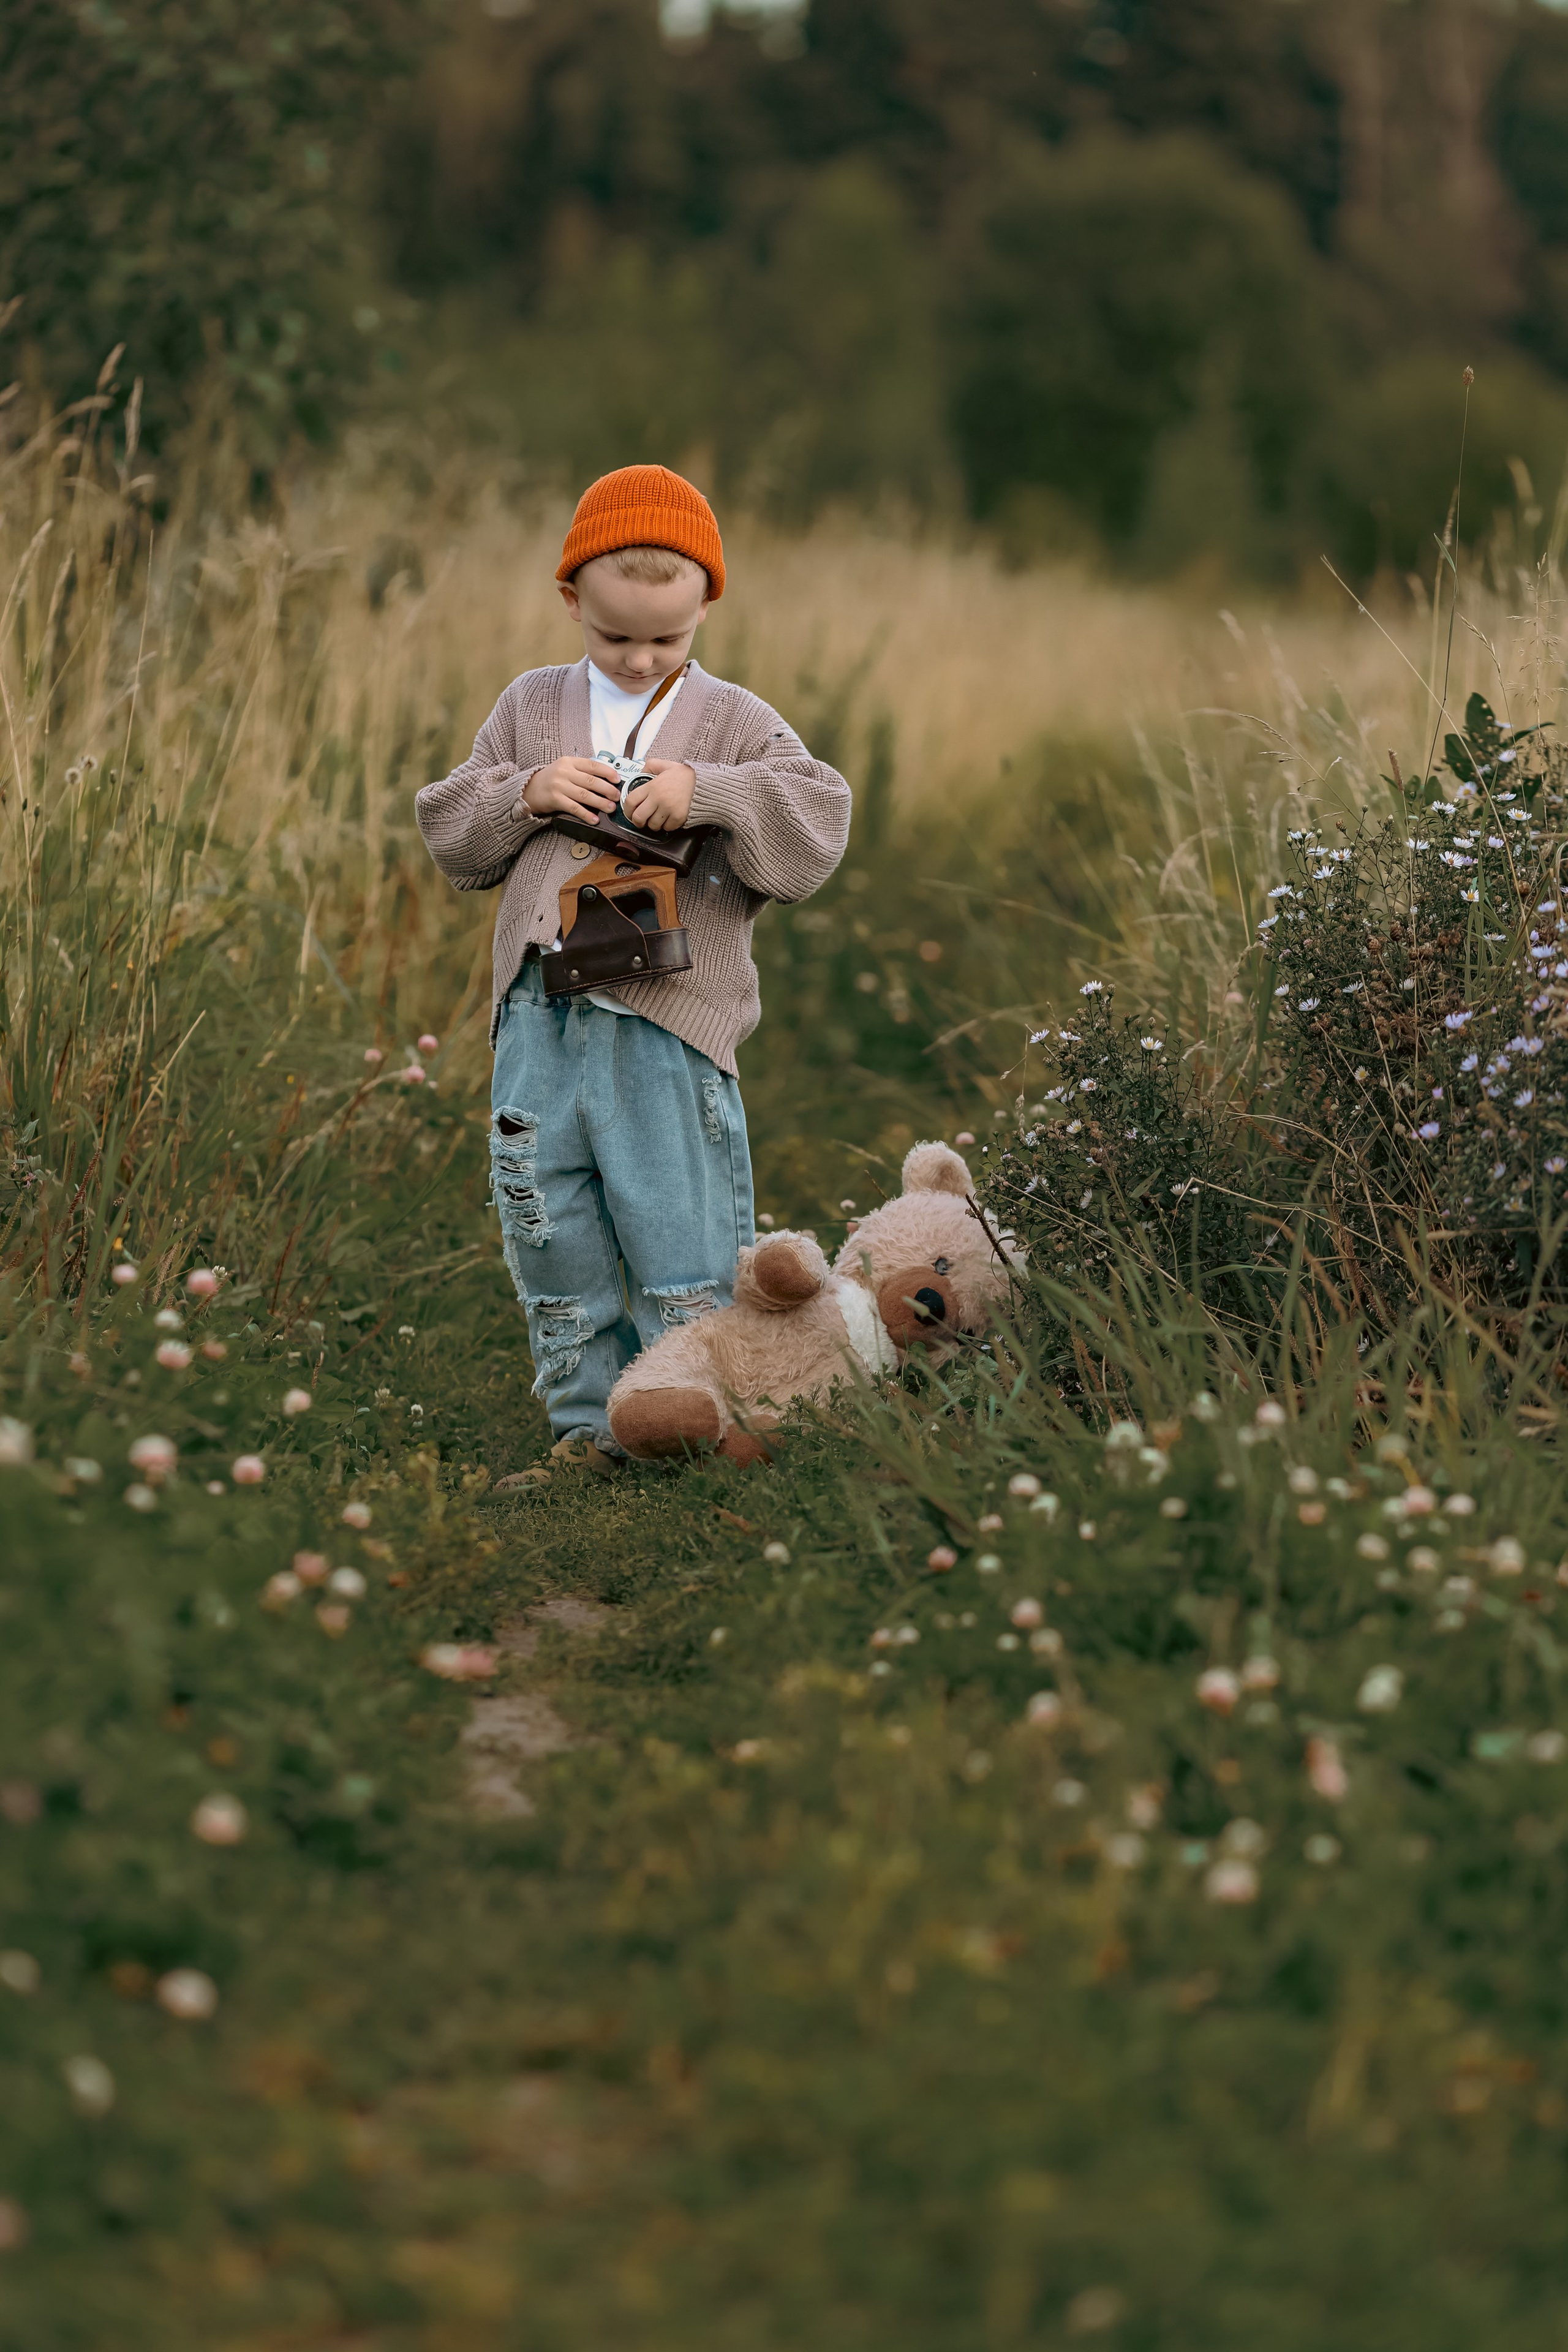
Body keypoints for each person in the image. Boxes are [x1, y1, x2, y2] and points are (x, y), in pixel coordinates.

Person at [415, 464, 851, 1471]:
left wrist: (710, 792)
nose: (641, 656)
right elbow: (453, 830)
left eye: (668, 638)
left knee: (679, 1229)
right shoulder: (531, 707)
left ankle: (703, 1412)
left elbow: (814, 822)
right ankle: (590, 1427)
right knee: (547, 1219)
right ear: (572, 601)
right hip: (539, 1024)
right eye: (615, 637)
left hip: (669, 1028)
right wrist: (526, 792)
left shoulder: (735, 722)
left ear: (708, 605)